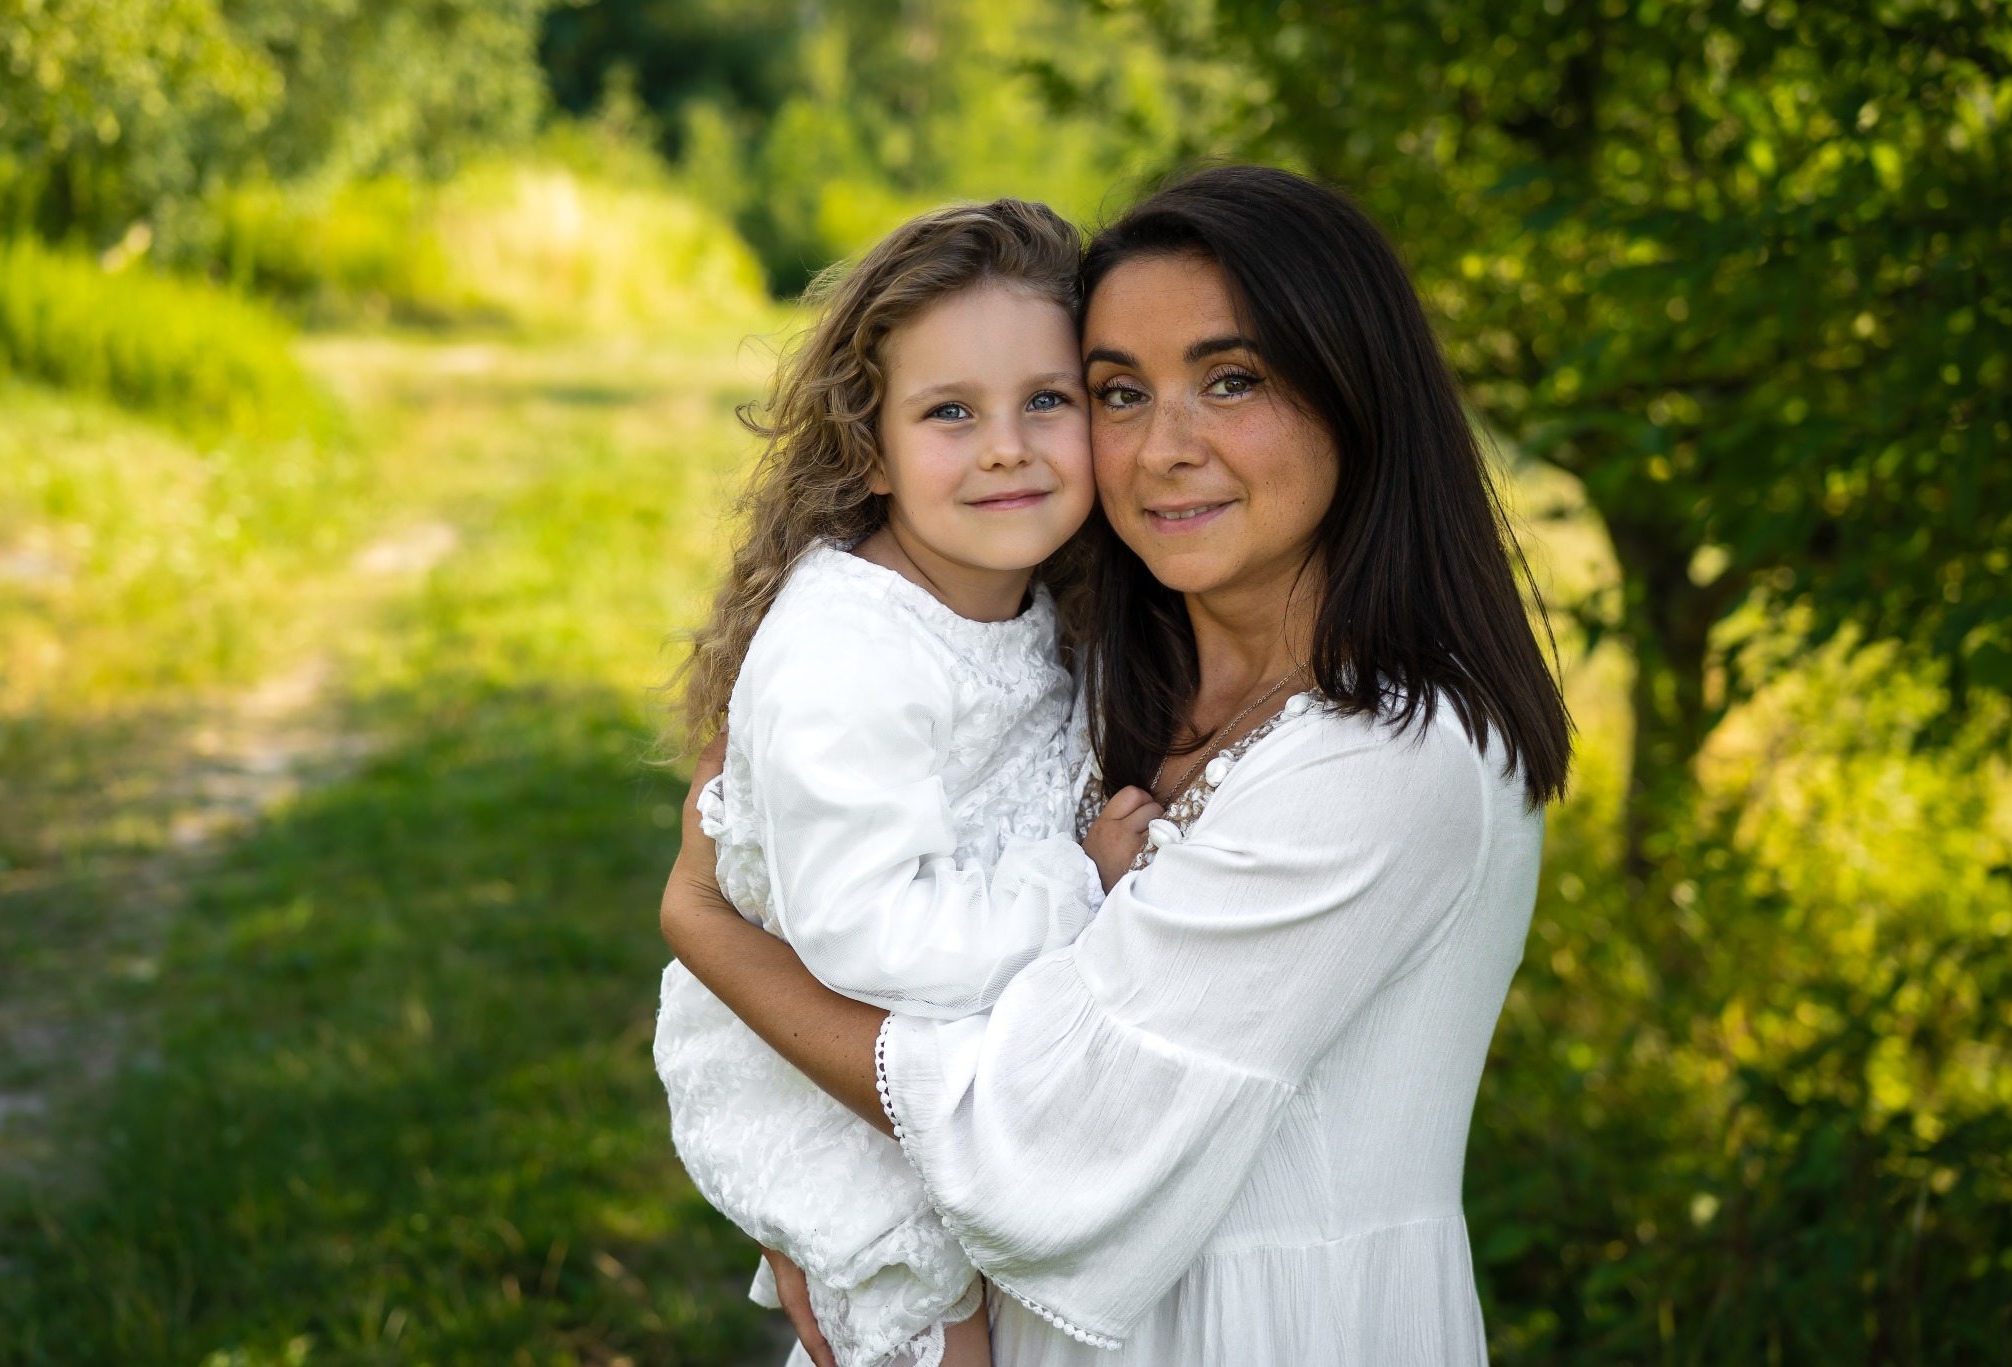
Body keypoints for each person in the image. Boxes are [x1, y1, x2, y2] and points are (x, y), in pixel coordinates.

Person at [661, 165, 1572, 1365]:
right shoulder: (1085, 675)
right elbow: (888, 928)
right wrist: (829, 1208)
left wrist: (706, 928)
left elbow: (1031, 1137)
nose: (1159, 451)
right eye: (1116, 393)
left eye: (1230, 380)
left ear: (1356, 394)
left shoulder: (1392, 761)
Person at [652, 198, 1160, 1367]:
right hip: (824, 1091)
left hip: (913, 1072)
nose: (1005, 445)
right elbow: (869, 934)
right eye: (949, 412)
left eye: (1047, 399)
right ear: (868, 450)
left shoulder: (1016, 603)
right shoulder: (851, 651)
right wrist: (1074, 877)